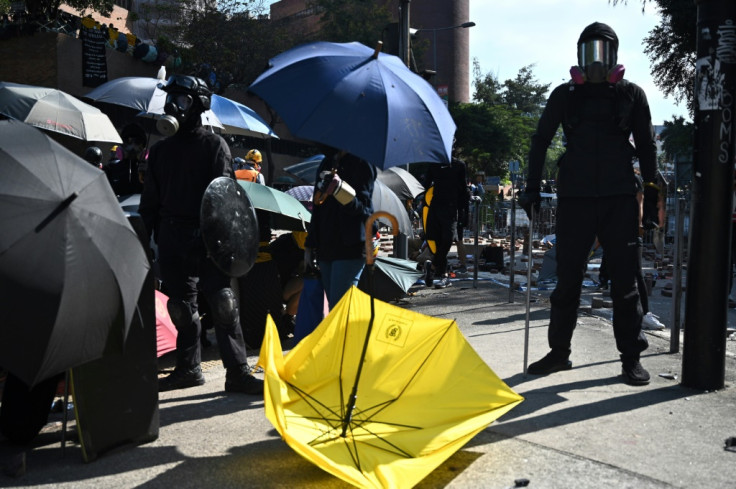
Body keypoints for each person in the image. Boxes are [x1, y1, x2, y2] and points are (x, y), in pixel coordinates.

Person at [518, 22, 658, 386]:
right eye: (589, 51)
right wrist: (531, 187)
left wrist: (653, 193)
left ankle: (631, 357)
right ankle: (559, 353)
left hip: (619, 197)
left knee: (625, 282)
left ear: (614, 55)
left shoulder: (632, 95)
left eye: (602, 51)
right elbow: (540, 140)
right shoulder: (564, 95)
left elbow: (646, 146)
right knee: (567, 280)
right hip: (576, 197)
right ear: (579, 55)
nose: (596, 60)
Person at [138, 74, 262, 394]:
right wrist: (143, 241)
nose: (173, 107)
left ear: (199, 105)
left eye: (181, 100)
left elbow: (224, 198)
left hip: (209, 236)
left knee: (222, 301)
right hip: (172, 237)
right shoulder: (161, 151)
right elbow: (149, 202)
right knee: (180, 306)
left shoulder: (213, 144)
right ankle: (188, 368)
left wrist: (223, 240)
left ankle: (237, 371)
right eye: (171, 99)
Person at [304, 148, 376, 309]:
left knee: (340, 309)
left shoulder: (362, 163)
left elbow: (366, 211)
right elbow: (317, 208)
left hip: (350, 248)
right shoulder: (327, 162)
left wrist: (341, 191)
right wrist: (309, 245)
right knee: (334, 309)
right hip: (326, 247)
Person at [422, 156, 468, 288]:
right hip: (435, 208)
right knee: (437, 242)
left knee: (448, 240)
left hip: (451, 209)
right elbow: (425, 185)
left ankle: (433, 267)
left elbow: (463, 189)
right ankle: (443, 275)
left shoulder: (459, 165)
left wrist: (464, 213)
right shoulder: (434, 164)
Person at [104, 122, 148, 196]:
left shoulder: (147, 172)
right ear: (121, 145)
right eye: (128, 141)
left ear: (143, 148)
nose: (133, 147)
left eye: (137, 142)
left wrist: (148, 176)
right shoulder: (110, 169)